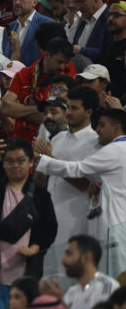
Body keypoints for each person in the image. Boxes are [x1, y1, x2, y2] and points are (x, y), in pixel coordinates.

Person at [35, 109, 126, 278]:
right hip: (117, 225)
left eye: (102, 125)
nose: (97, 129)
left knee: (112, 283)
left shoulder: (116, 149)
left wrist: (44, 160)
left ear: (116, 129)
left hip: (112, 228)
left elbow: (77, 169)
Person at [0, 137, 56, 284]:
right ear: (3, 164)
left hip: (27, 271)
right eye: (10, 161)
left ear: (31, 162)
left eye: (21, 160)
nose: (15, 165)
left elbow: (49, 228)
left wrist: (35, 248)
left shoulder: (41, 195)